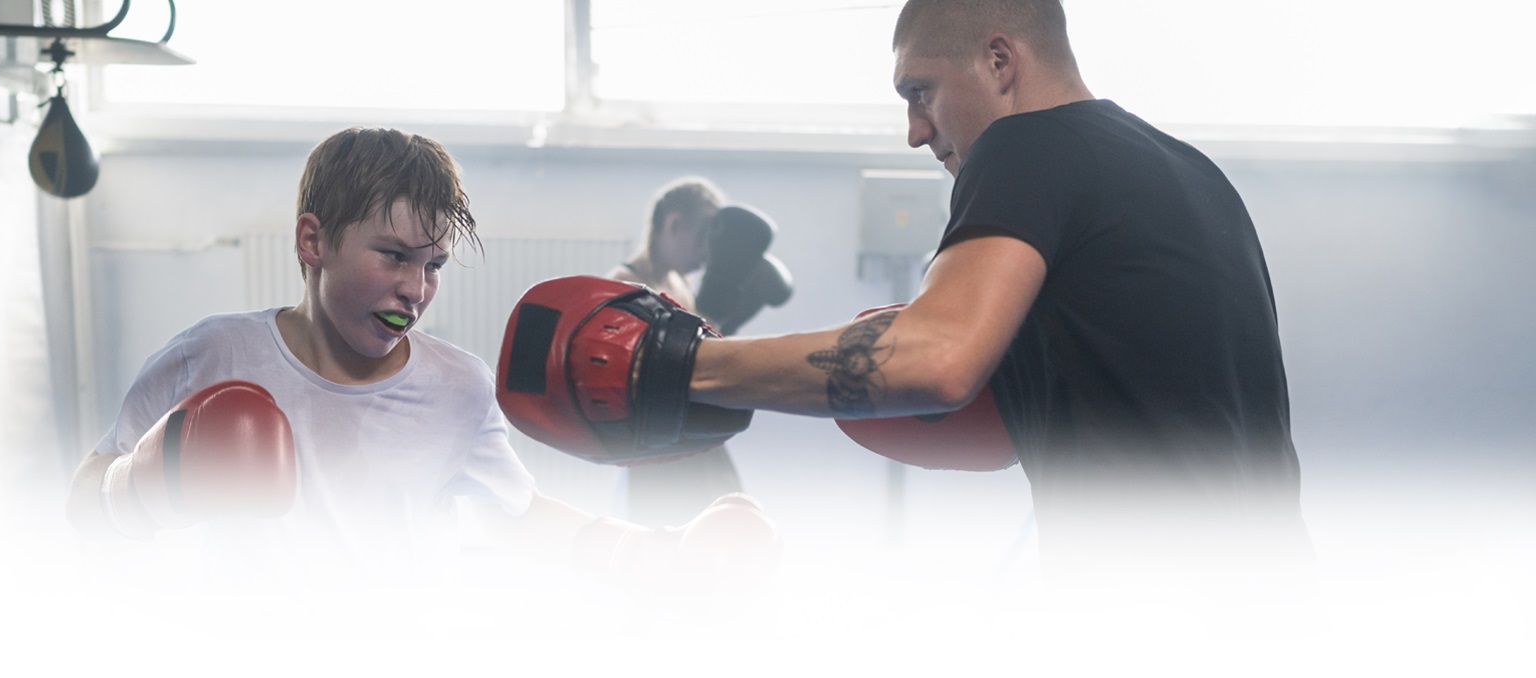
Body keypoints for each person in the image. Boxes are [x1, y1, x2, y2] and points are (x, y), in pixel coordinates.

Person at [531, 0, 1314, 602]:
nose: (914, 130)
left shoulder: (1029, 143)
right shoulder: (1190, 173)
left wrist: (679, 364)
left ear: (1000, 61)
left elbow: (936, 361)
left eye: (921, 92)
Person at [62, 128, 778, 592]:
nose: (417, 287)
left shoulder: (457, 386)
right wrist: (144, 488)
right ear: (313, 242)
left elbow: (521, 516)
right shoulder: (215, 354)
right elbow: (87, 495)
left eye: (433, 263)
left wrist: (654, 555)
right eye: (394, 256)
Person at [605, 178, 744, 527]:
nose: (705, 255)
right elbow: (621, 375)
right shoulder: (627, 284)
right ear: (674, 224)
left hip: (690, 428)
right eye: (702, 238)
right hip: (655, 440)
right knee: (665, 538)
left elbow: (698, 354)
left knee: (723, 515)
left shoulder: (681, 284)